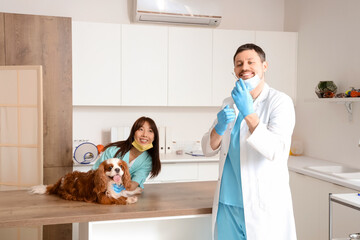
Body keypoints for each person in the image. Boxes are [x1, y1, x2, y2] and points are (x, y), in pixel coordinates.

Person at [201, 43, 297, 240]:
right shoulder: (229, 102)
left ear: (264, 66)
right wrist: (218, 129)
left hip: (262, 205)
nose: (244, 67)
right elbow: (207, 149)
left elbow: (276, 151)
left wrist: (249, 114)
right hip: (227, 204)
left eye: (250, 62)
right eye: (239, 64)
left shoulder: (280, 101)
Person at [93, 116, 161, 192]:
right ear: (133, 133)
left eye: (150, 131)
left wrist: (121, 188)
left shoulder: (148, 161)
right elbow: (95, 174)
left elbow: (134, 183)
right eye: (141, 129)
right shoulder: (113, 151)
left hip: (125, 194)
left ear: (154, 137)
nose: (145, 134)